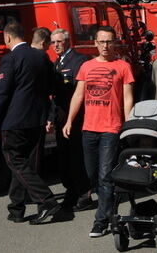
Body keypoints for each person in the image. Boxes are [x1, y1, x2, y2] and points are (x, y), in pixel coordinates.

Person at [63, 26, 135, 238]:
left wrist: (128, 124)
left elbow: (127, 97)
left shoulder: (123, 66)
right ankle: (109, 205)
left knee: (105, 176)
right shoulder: (86, 66)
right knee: (92, 175)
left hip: (111, 129)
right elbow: (78, 95)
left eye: (109, 41)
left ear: (115, 43)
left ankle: (101, 221)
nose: (105, 45)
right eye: (102, 42)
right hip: (88, 129)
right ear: (95, 43)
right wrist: (69, 120)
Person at [0, 22, 59, 225]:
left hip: (14, 120)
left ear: (8, 38)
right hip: (36, 119)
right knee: (26, 164)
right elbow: (49, 89)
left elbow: (1, 94)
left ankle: (46, 200)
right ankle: (17, 208)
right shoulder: (41, 57)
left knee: (15, 160)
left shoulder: (10, 59)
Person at [49, 29, 92, 212]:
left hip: (76, 117)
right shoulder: (56, 63)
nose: (56, 45)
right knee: (64, 158)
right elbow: (55, 94)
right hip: (61, 117)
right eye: (53, 42)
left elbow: (78, 91)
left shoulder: (79, 60)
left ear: (67, 42)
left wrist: (70, 114)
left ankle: (84, 193)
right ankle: (71, 192)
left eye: (59, 41)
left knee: (77, 157)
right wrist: (52, 116)